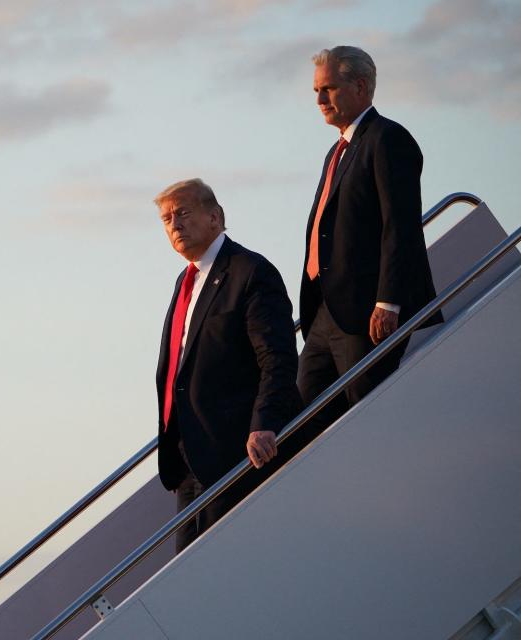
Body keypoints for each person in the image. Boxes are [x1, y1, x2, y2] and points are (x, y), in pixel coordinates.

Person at [296, 46, 441, 437]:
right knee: (301, 423)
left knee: (368, 419)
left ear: (360, 87)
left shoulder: (387, 139)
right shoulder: (336, 151)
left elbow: (402, 225)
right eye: (316, 91)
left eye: (328, 88)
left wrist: (387, 301)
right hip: (324, 311)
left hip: (365, 311)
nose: (320, 99)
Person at [153, 178, 301, 553]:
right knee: (185, 576)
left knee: (226, 566)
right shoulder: (184, 281)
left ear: (216, 217)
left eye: (183, 213)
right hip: (188, 458)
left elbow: (277, 357)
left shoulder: (250, 271)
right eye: (167, 219)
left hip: (236, 452)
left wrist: (265, 423)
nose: (175, 225)